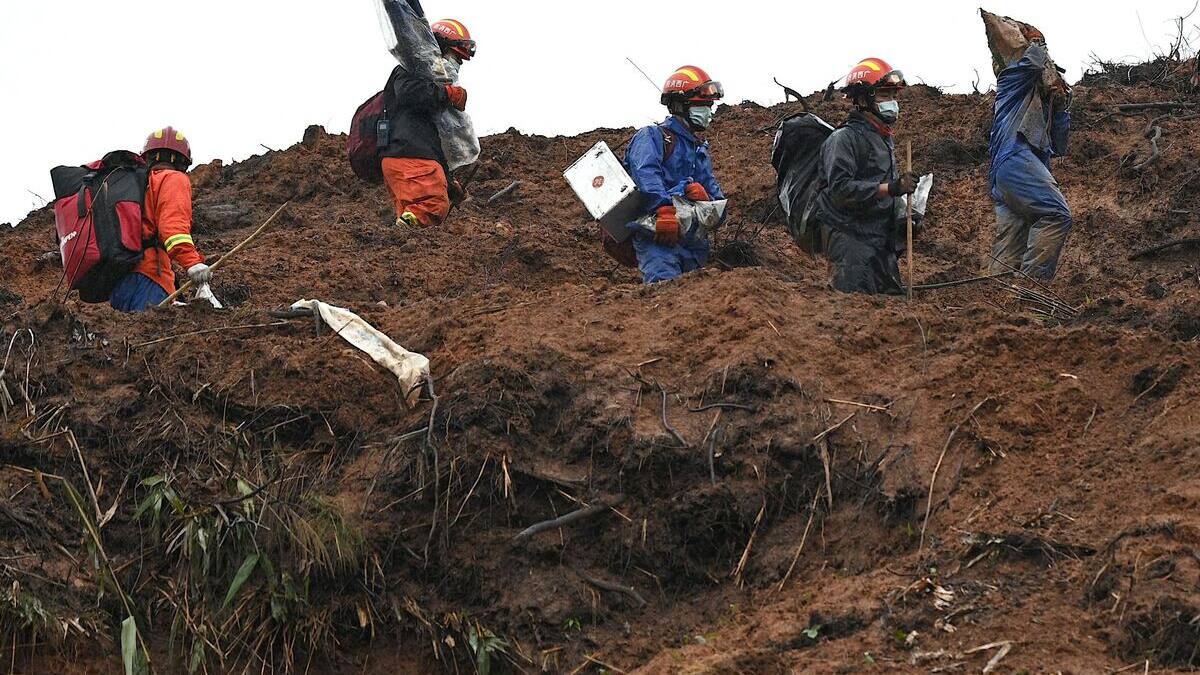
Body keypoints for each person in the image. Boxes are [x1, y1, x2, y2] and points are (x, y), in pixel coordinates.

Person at [811, 58, 918, 295]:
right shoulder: (843, 139)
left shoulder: (883, 139)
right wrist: (891, 188)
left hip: (879, 238)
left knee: (890, 307)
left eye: (893, 95)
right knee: (854, 311)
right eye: (883, 95)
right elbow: (840, 190)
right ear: (862, 99)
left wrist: (902, 214)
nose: (891, 103)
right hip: (850, 241)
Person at [623, 65, 727, 284]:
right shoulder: (652, 137)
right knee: (665, 296)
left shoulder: (699, 151)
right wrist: (663, 209)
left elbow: (718, 203)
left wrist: (707, 199)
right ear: (680, 105)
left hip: (694, 245)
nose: (709, 111)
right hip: (659, 239)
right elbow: (646, 174)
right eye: (703, 105)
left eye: (709, 105)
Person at [988, 28, 1072, 281]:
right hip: (1014, 160)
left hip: (1011, 173)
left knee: (1011, 240)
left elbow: (1060, 146)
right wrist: (1037, 43)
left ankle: (995, 302)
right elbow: (1031, 62)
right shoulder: (1010, 80)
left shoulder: (1039, 101)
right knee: (1056, 215)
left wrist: (1060, 107)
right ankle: (1032, 289)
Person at [381, 18, 474, 230]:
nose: (456, 65)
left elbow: (431, 138)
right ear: (439, 48)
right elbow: (409, 93)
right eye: (455, 58)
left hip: (405, 157)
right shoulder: (410, 68)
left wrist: (449, 182)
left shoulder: (426, 80)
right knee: (431, 206)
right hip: (411, 157)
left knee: (415, 225)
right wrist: (447, 93)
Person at [110, 127, 209, 312]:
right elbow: (172, 229)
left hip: (119, 281)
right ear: (182, 162)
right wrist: (193, 263)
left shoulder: (137, 184)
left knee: (132, 337)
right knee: (152, 335)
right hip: (150, 276)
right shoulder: (173, 179)